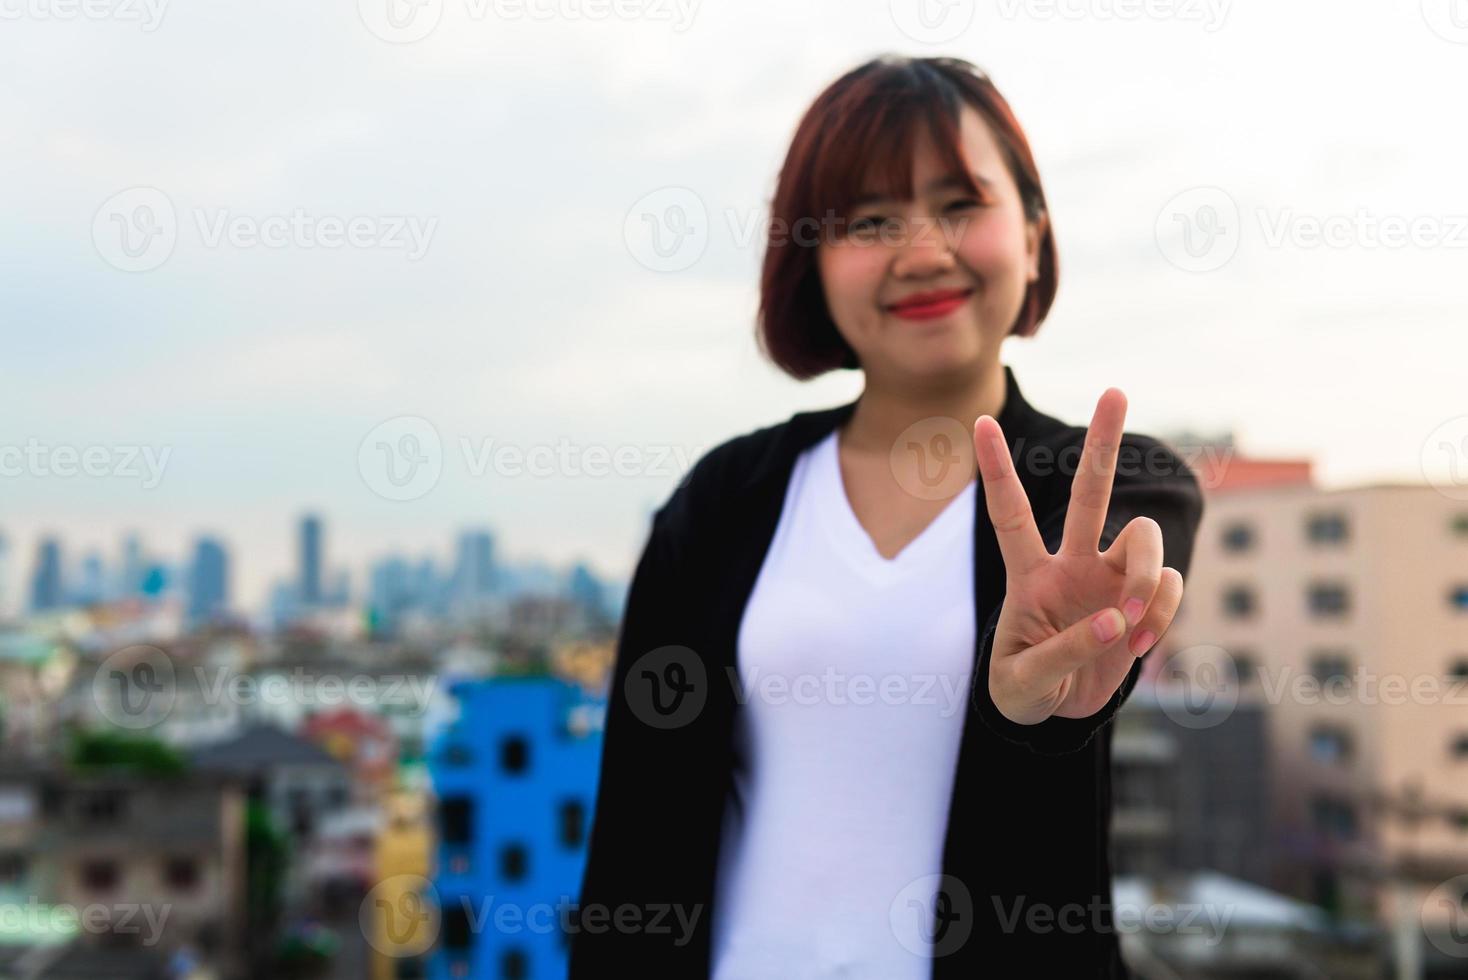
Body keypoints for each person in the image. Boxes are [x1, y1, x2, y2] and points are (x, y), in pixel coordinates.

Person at [569, 54, 1204, 978]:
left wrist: (1046, 694)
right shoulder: (722, 500)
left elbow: (1065, 711)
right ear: (812, 261)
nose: (920, 251)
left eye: (959, 205)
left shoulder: (1112, 486)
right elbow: (634, 825)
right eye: (869, 220)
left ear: (1031, 231)